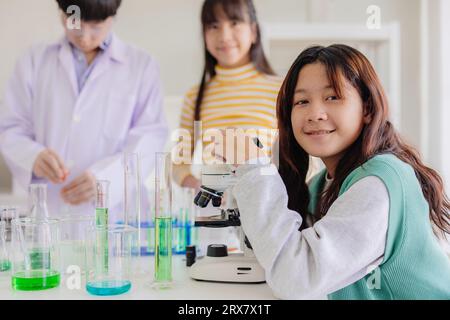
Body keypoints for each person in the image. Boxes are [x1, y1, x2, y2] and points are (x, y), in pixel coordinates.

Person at [222, 45, 450, 299]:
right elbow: (279, 252)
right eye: (302, 101)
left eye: (332, 97)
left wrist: (254, 170)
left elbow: (297, 278)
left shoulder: (378, 184)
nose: (315, 114)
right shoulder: (321, 185)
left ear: (367, 109)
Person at [0, 0, 168, 220]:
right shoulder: (33, 61)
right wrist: (32, 156)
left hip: (117, 218)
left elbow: (150, 138)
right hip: (52, 213)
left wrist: (108, 179)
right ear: (61, 12)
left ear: (113, 17)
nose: (85, 36)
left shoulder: (141, 66)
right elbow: (10, 128)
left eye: (96, 26)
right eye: (74, 22)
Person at [173, 0, 285, 190]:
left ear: (254, 31)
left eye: (234, 23)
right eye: (214, 26)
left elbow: (298, 161)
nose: (224, 36)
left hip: (266, 205)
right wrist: (199, 186)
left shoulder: (282, 89)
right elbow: (178, 164)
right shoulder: (194, 96)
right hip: (215, 211)